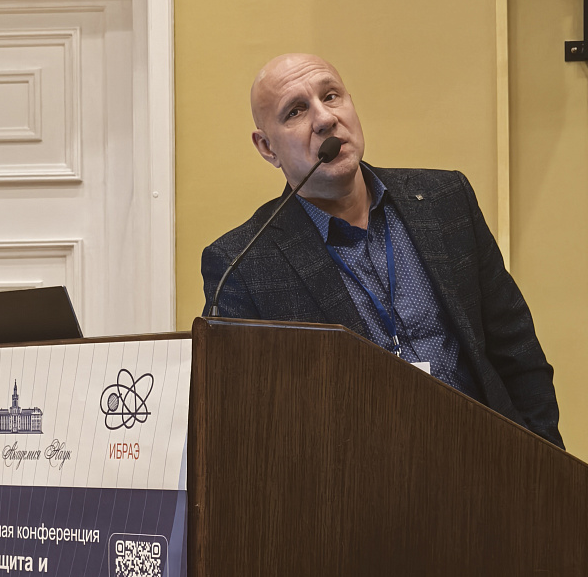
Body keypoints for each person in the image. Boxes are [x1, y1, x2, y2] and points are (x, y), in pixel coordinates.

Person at [201, 54, 563, 448]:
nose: (325, 119)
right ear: (267, 147)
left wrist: (543, 463)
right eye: (296, 111)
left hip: (489, 459)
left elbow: (518, 352)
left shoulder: (445, 201)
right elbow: (253, 424)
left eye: (331, 96)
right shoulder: (243, 265)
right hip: (359, 479)